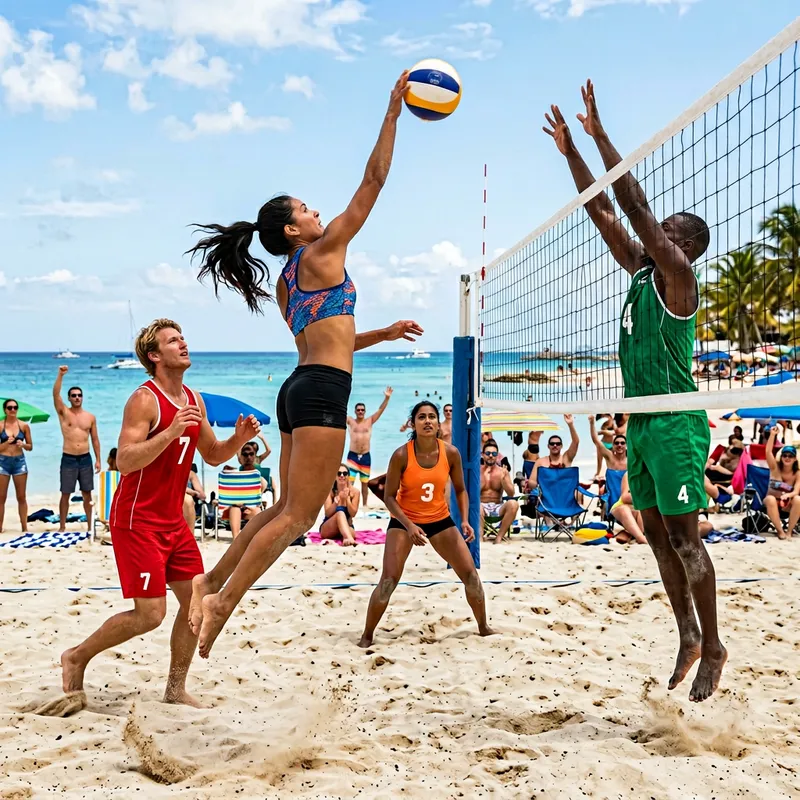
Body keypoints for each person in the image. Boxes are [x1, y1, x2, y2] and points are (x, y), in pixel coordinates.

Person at [184, 71, 424, 658]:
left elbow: (327, 342)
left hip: (299, 386)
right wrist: (392, 114)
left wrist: (383, 333)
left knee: (280, 507)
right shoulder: (323, 250)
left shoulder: (289, 283)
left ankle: (210, 581)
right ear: (294, 230)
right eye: (308, 209)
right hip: (320, 392)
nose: (319, 212)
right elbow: (373, 181)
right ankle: (222, 603)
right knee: (298, 516)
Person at [545, 80, 725, 701]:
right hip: (643, 422)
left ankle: (715, 645)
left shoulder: (677, 274)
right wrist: (573, 153)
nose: (657, 233)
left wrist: (601, 137)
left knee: (685, 538)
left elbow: (633, 203)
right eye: (661, 229)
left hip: (676, 419)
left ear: (685, 246)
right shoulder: (642, 270)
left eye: (669, 230)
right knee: (654, 536)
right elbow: (603, 208)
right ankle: (686, 634)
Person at [42, 320, 260, 716]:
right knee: (150, 615)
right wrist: (171, 432)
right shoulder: (144, 400)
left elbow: (211, 454)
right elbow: (124, 460)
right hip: (137, 520)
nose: (183, 343)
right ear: (155, 356)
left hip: (175, 522)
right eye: (173, 340)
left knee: (195, 604)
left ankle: (175, 688)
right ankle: (76, 656)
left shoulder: (194, 398)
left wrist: (239, 440)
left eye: (183, 337)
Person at [358, 401, 494, 647]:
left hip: (439, 520)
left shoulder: (450, 453)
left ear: (439, 423)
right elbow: (388, 497)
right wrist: (409, 526)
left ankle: (484, 628)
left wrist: (464, 520)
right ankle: (367, 635)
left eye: (432, 416)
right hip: (404, 521)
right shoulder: (401, 455)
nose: (428, 421)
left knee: (471, 577)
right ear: (413, 424)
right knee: (388, 581)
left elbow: (461, 490)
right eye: (422, 417)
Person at [52, 366, 101, 534]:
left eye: (79, 395)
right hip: (69, 458)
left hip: (85, 459)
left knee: (87, 493)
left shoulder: (90, 417)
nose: (77, 398)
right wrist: (61, 375)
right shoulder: (64, 413)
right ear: (69, 398)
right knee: (65, 493)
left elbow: (95, 439)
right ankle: (62, 526)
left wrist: (98, 460)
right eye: (73, 396)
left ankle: (89, 527)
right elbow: (55, 395)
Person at [347, 388, 393, 507]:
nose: (360, 412)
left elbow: (380, 409)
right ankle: (350, 504)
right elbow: (339, 412)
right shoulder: (351, 421)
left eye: (362, 410)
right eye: (358, 410)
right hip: (352, 456)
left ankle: (365, 505)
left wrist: (387, 398)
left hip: (366, 456)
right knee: (350, 482)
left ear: (365, 411)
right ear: (355, 411)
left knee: (365, 483)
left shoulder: (370, 421)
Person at [220, 442, 269, 539]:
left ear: (255, 456)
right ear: (240, 458)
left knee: (256, 511)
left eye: (251, 454)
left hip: (251, 508)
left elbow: (257, 498)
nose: (248, 457)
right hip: (236, 506)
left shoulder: (259, 478)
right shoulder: (234, 476)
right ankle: (236, 539)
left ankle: (251, 539)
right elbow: (229, 496)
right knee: (235, 508)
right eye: (245, 454)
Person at [0, 398, 33, 533]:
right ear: (5, 410)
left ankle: (24, 527)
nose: (13, 410)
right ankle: (0, 527)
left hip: (19, 462)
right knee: (1, 497)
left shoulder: (24, 426)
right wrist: (6, 443)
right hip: (3, 461)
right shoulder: (1, 426)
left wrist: (23, 444)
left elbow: (30, 446)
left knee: (21, 497)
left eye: (15, 407)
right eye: (9, 408)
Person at [763, 425, 800, 539]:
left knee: (798, 499)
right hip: (772, 503)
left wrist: (788, 495)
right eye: (785, 455)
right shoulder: (775, 468)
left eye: (790, 456)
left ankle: (789, 531)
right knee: (770, 499)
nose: (787, 458)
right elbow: (768, 452)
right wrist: (773, 435)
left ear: (794, 459)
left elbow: (796, 491)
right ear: (781, 457)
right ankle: (780, 531)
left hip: (787, 504)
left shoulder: (797, 473)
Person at [480, 440, 519, 544]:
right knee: (477, 506)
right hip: (481, 506)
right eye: (488, 453)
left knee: (513, 504)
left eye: (494, 453)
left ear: (497, 455)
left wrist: (503, 480)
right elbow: (470, 492)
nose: (491, 456)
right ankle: (480, 538)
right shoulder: (477, 471)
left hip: (497, 506)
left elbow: (511, 494)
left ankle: (499, 537)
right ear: (483, 455)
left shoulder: (503, 471)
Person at [528, 415, 580, 489]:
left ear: (561, 446)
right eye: (552, 444)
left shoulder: (566, 458)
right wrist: (538, 487)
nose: (555, 445)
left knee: (578, 494)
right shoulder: (541, 462)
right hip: (546, 496)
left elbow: (576, 442)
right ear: (548, 446)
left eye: (558, 444)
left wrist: (570, 425)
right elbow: (532, 481)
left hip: (564, 495)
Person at [320, 464, 360, 546]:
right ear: (335, 476)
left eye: (344, 473)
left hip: (347, 525)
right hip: (329, 527)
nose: (342, 476)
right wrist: (336, 502)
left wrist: (347, 499)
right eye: (339, 473)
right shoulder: (329, 492)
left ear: (348, 476)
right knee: (340, 513)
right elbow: (327, 513)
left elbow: (353, 513)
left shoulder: (355, 492)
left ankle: (348, 537)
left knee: (352, 533)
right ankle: (347, 538)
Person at [610, 472, 646, 544]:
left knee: (642, 511)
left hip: (640, 509)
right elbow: (625, 498)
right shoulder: (630, 474)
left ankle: (630, 534)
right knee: (624, 510)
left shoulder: (656, 474)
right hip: (622, 506)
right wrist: (645, 498)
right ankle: (641, 538)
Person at [588, 415, 627, 481]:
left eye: (622, 443)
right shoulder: (611, 457)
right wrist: (592, 424)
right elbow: (596, 440)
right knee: (599, 461)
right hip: (612, 489)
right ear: (613, 445)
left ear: (626, 445)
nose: (619, 445)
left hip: (626, 489)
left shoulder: (631, 458)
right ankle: (598, 473)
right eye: (617, 443)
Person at [184, 462, 206, 532]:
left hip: (186, 504)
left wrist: (193, 492)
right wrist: (191, 491)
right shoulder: (191, 474)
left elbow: (202, 495)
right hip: (186, 505)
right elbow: (202, 495)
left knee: (187, 500)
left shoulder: (191, 474)